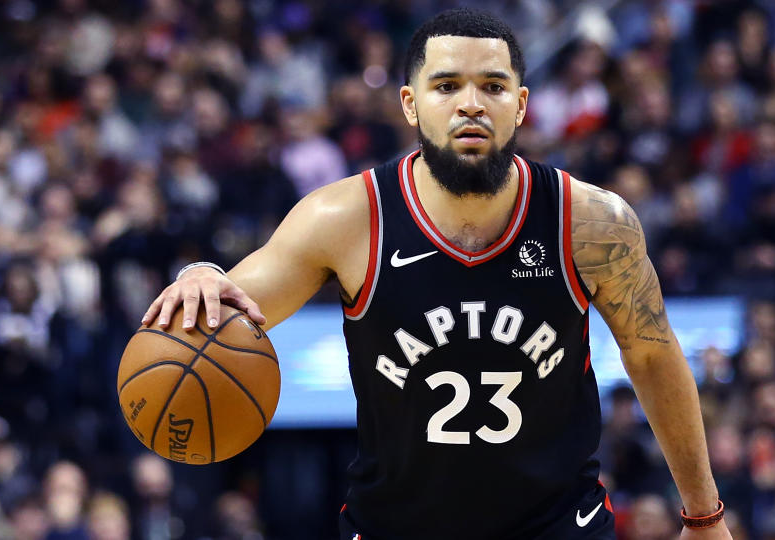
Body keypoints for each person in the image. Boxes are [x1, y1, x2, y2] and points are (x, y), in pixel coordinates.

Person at [142, 8, 730, 540]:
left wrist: (704, 516)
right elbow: (237, 301)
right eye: (446, 85)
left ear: (521, 105)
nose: (470, 103)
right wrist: (200, 271)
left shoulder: (591, 221)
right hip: (396, 526)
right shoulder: (346, 218)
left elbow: (653, 355)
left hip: (558, 526)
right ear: (409, 103)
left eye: (493, 86)